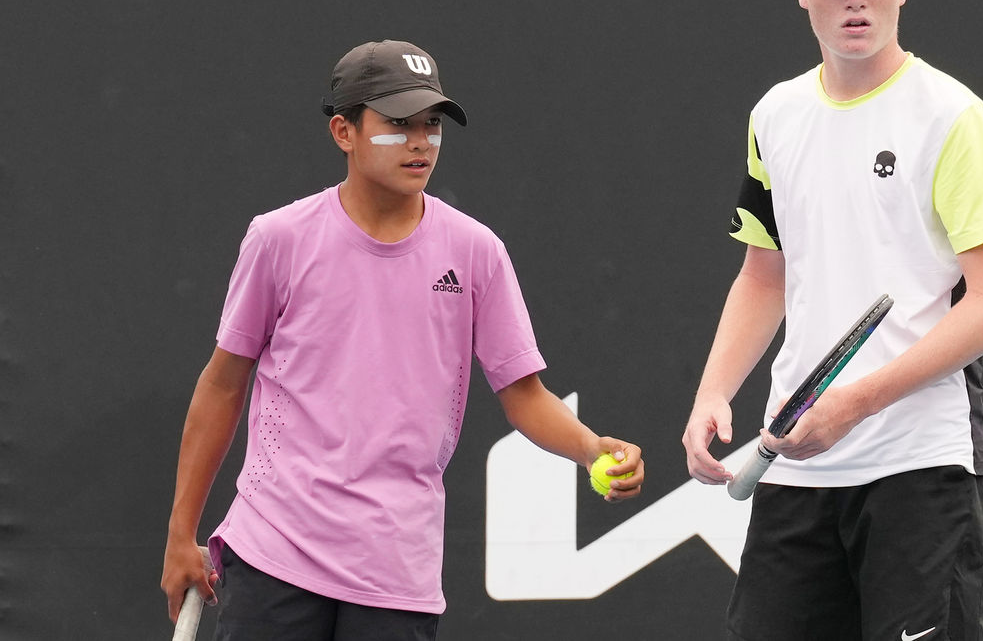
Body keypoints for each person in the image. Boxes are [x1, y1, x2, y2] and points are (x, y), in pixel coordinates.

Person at [161, 39, 644, 640]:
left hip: (396, 571)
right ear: (344, 132)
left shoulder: (476, 252)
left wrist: (590, 448)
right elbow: (223, 384)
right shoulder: (277, 239)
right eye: (398, 124)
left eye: (432, 125)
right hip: (273, 553)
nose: (420, 142)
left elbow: (525, 395)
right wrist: (182, 534)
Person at [681, 0, 983, 640]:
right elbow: (763, 275)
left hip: (920, 471)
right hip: (799, 471)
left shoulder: (951, 116)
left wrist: (857, 403)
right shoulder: (774, 116)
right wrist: (714, 392)